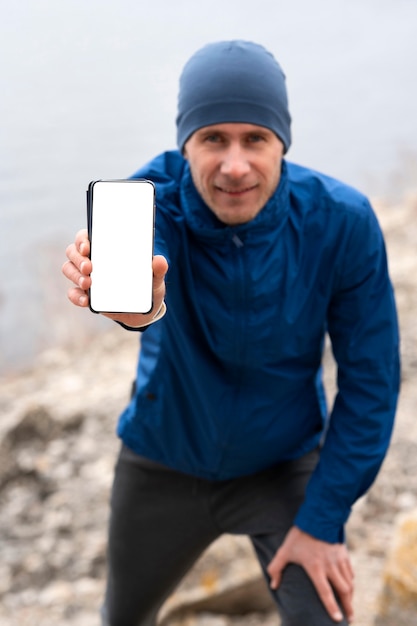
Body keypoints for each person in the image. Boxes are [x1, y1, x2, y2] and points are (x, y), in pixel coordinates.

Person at [63, 40, 400, 626]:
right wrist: (135, 307)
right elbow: (143, 277)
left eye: (256, 139)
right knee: (122, 618)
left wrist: (322, 521)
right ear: (184, 144)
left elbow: (372, 383)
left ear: (283, 144)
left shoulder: (342, 223)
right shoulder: (154, 203)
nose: (235, 165)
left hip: (282, 465)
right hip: (161, 461)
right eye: (213, 138)